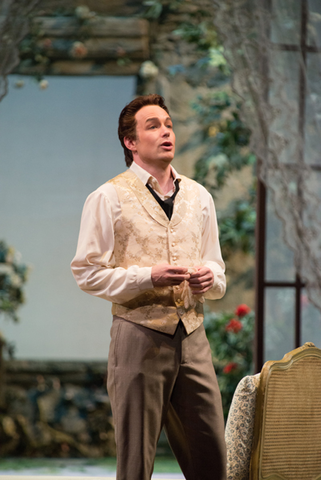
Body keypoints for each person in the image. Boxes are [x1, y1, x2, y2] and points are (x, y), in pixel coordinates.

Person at [71, 94, 227, 480]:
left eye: (169, 124)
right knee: (136, 461)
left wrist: (211, 277)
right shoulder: (108, 197)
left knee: (211, 456)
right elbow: (86, 272)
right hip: (139, 335)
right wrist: (147, 276)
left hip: (192, 336)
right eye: (153, 126)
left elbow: (216, 266)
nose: (166, 132)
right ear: (131, 142)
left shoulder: (199, 196)